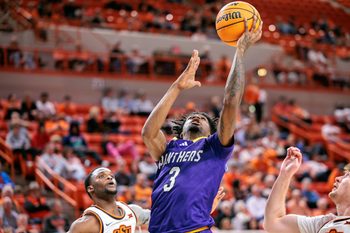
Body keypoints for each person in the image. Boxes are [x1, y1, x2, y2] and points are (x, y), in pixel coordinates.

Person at [142, 17, 262, 232]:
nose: (196, 117)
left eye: (204, 118)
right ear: (182, 126)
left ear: (211, 131)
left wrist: (240, 51)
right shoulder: (168, 148)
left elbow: (231, 100)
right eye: (191, 117)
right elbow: (148, 133)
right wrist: (176, 87)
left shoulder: (214, 147)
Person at [68, 167, 225, 233]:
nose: (109, 176)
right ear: (91, 188)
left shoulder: (133, 211)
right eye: (102, 176)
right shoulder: (86, 225)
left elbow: (174, 221)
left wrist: (205, 209)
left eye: (111, 175)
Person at [264, 147, 350, 233]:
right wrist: (285, 174)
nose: (337, 178)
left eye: (347, 176)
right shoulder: (323, 223)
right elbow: (273, 223)